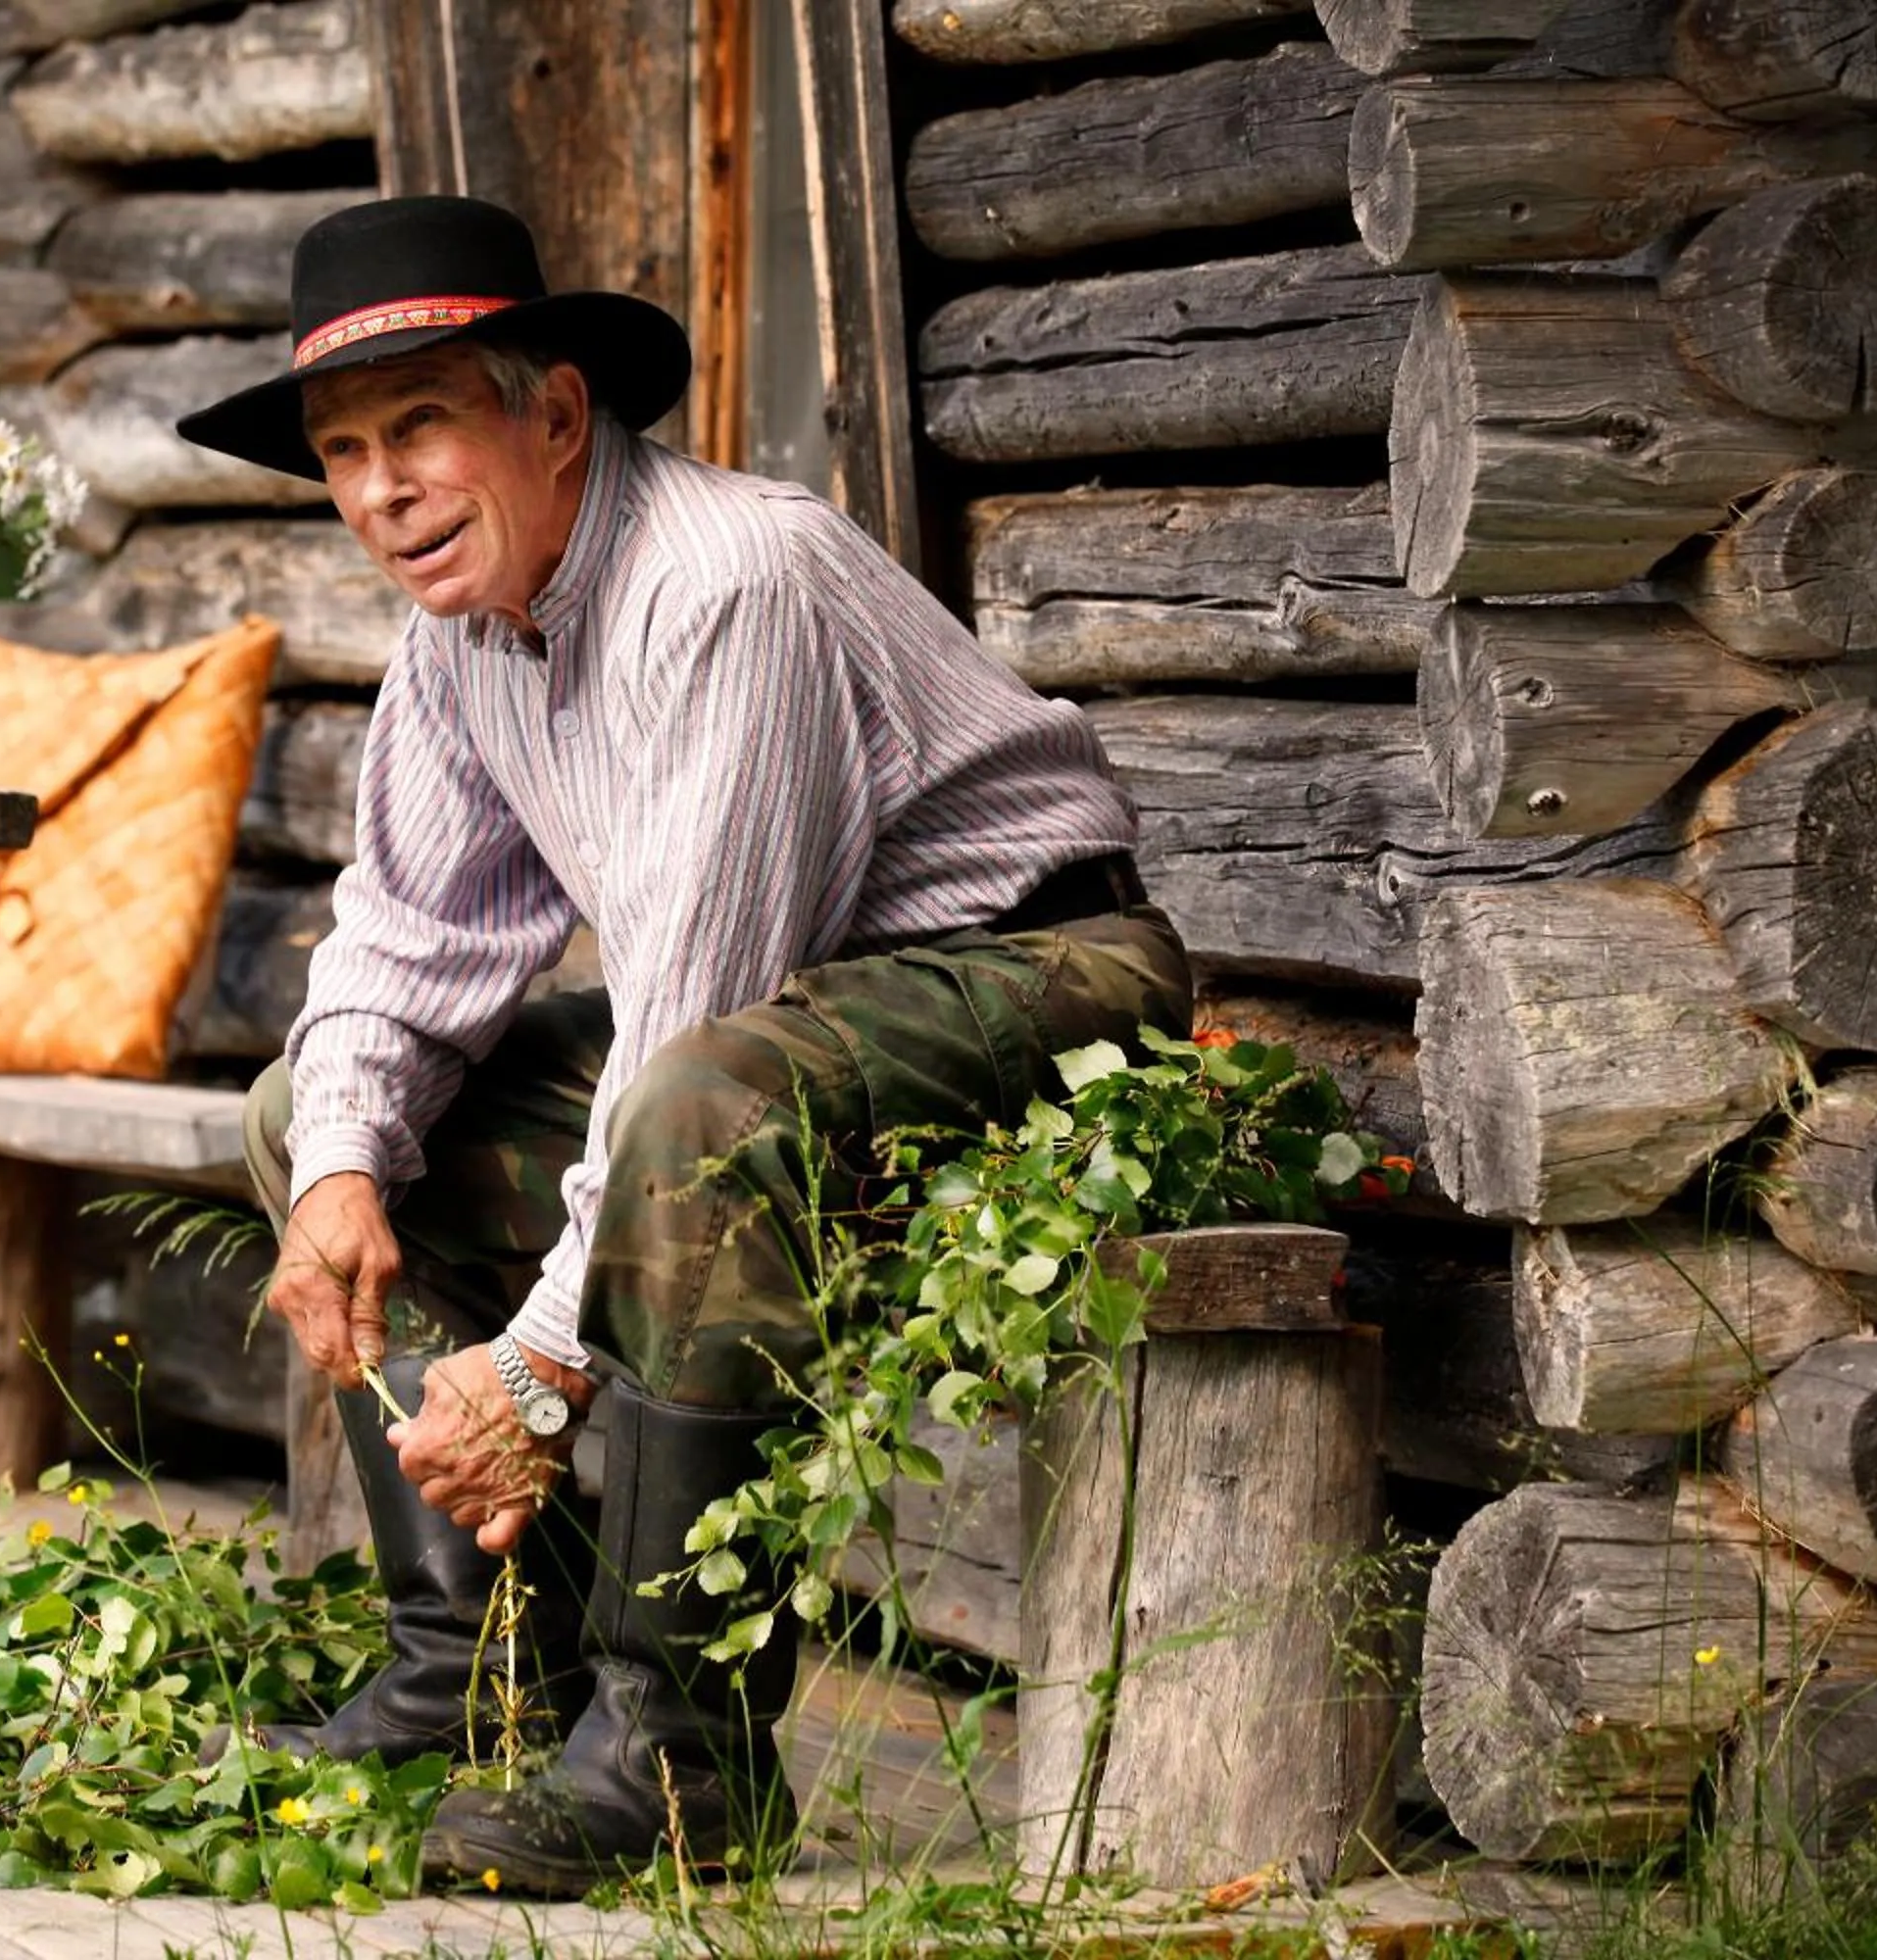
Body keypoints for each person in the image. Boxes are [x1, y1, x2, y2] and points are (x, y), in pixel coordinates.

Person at [174, 195, 1190, 1896]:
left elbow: (701, 1014)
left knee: (694, 1105)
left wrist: (544, 1363)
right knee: (315, 1106)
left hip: (1043, 986)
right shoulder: (457, 641)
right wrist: (338, 1171)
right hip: (786, 1021)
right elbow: (411, 942)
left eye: (421, 423)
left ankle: (679, 1755)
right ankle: (481, 1672)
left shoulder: (728, 579)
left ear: (556, 415)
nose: (378, 491)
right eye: (345, 450)